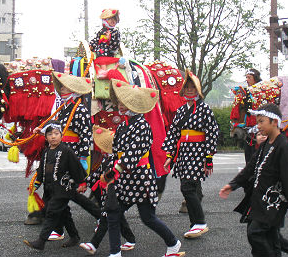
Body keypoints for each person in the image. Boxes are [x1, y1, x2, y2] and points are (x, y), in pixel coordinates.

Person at [103, 79, 184, 257]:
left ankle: (173, 242)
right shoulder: (123, 125)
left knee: (148, 218)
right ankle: (115, 252)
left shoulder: (142, 125)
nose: (120, 106)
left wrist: (114, 171)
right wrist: (110, 168)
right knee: (114, 214)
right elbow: (115, 151)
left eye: (124, 103)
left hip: (140, 178)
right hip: (124, 177)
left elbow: (133, 154)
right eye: (119, 102)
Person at [219, 103, 288, 257]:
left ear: (274, 122)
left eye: (261, 121)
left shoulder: (284, 147)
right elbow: (250, 167)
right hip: (260, 199)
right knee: (270, 237)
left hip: (274, 201)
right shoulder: (266, 144)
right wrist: (233, 185)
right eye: (257, 122)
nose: (258, 126)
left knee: (255, 233)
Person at [28, 72, 100, 245]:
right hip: (61, 152)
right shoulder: (65, 108)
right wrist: (43, 129)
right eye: (60, 86)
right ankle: (66, 231)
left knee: (65, 195)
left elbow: (85, 136)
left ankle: (100, 217)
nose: (61, 89)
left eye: (64, 87)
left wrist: (83, 158)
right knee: (63, 195)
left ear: (73, 90)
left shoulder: (80, 109)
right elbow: (57, 127)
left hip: (71, 155)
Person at [162, 70, 219, 239]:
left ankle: (200, 222)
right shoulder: (180, 110)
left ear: (198, 90)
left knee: (187, 187)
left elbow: (212, 132)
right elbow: (173, 133)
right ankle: (195, 224)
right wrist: (169, 156)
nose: (188, 90)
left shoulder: (204, 109)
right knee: (189, 187)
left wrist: (208, 157)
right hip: (184, 152)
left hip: (198, 152)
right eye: (186, 87)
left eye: (192, 87)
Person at [23, 120, 88, 251]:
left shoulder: (66, 151)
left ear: (61, 135)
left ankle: (41, 241)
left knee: (52, 213)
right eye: (50, 134)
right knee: (64, 213)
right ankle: (74, 236)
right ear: (46, 137)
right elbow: (41, 170)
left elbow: (75, 167)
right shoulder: (46, 152)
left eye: (56, 133)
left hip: (62, 189)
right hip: (50, 189)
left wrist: (81, 182)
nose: (53, 137)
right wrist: (36, 184)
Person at [79, 127, 136, 255]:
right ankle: (130, 239)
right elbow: (96, 175)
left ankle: (94, 244)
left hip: (117, 192)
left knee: (107, 215)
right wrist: (85, 183)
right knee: (116, 216)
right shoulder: (107, 159)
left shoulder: (118, 160)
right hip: (109, 192)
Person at [89, 9, 122, 80]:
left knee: (102, 55)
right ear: (105, 20)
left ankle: (103, 72)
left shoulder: (115, 32)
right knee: (99, 53)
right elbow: (96, 39)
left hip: (109, 51)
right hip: (100, 50)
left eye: (115, 19)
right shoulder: (101, 31)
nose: (113, 21)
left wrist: (109, 39)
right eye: (110, 19)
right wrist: (91, 45)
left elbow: (116, 44)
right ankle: (101, 71)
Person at [243, 68, 262, 164]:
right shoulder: (246, 92)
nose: (247, 80)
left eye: (249, 77)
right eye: (246, 77)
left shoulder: (261, 91)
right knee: (248, 152)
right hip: (248, 126)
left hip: (259, 125)